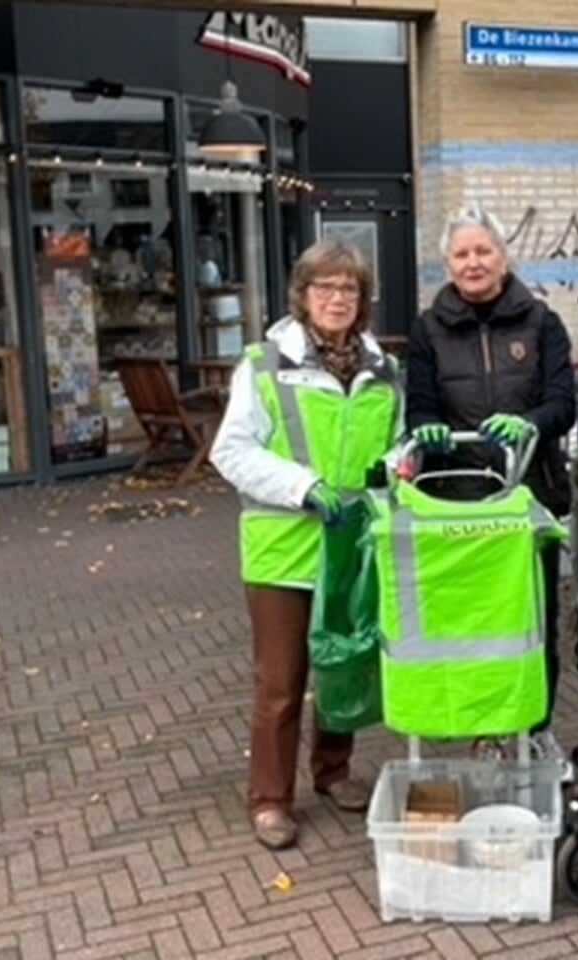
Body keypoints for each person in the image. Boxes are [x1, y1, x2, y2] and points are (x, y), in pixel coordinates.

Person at [211, 238, 402, 850]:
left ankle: (333, 773)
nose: (337, 299)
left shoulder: (382, 370)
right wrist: (303, 486)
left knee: (343, 665)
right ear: (303, 294)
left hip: (351, 546)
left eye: (349, 289)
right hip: (284, 549)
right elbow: (231, 450)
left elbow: (394, 446)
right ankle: (269, 798)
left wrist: (403, 462)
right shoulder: (264, 364)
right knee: (281, 680)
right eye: (325, 287)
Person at [404, 207, 577, 754]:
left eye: (483, 251)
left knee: (533, 618)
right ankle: (484, 722)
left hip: (529, 497)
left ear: (504, 257)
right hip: (460, 504)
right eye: (461, 254)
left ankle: (536, 724)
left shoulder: (542, 323)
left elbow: (563, 404)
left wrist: (529, 423)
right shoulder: (428, 329)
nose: (473, 262)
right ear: (447, 264)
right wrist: (426, 428)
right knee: (475, 621)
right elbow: (421, 406)